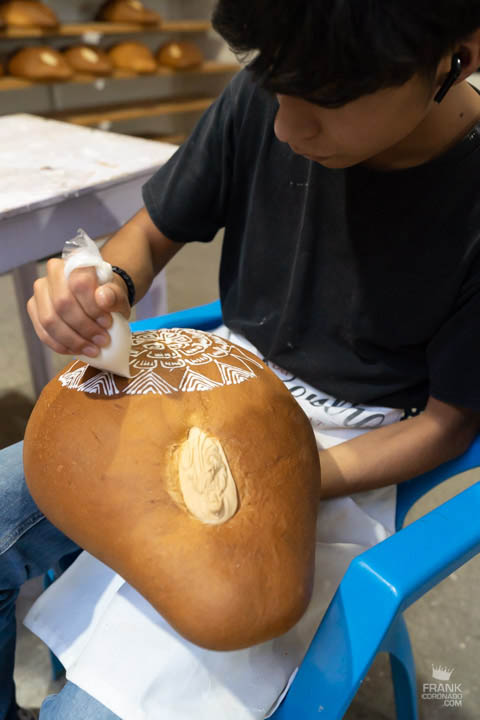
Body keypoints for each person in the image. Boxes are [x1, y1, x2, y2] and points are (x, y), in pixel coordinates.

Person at [2, 1, 480, 717]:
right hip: (207, 379)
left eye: (327, 99)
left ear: (458, 59)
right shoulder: (268, 96)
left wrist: (286, 473)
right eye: (275, 87)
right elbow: (151, 232)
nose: (288, 126)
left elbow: (447, 425)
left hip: (344, 449)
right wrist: (103, 286)